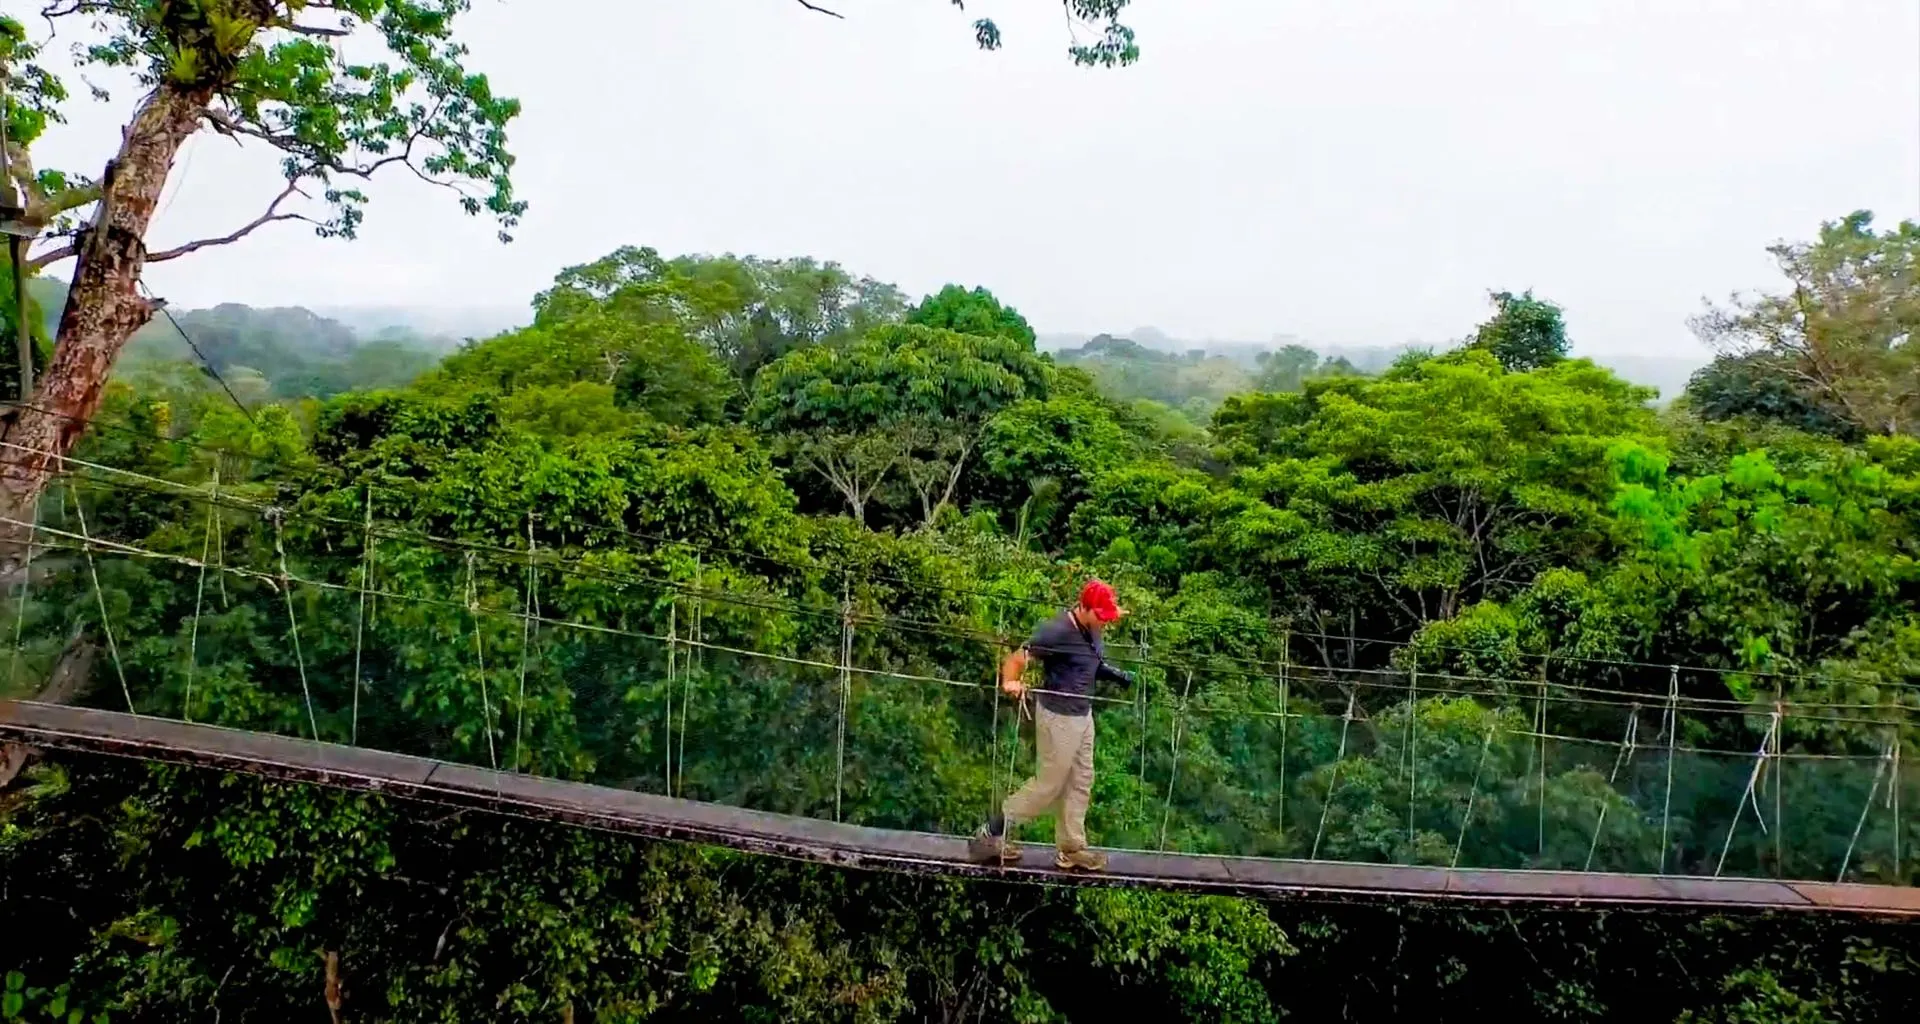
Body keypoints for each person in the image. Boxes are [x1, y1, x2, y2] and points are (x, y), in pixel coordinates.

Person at [968, 579, 1134, 871]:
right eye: (1101, 616)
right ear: (1084, 607)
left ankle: (1072, 848)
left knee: (1082, 781)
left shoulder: (1093, 625)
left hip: (1083, 714)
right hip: (1058, 717)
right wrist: (1010, 681)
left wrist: (1117, 675)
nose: (1104, 624)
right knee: (1048, 786)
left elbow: (1091, 658)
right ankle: (990, 834)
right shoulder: (1056, 631)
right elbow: (1016, 659)